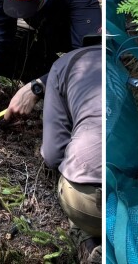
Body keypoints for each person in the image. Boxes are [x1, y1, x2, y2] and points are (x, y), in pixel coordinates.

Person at [40, 46, 102, 251]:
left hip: (93, 204)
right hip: (130, 190)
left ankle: (86, 240)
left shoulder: (62, 65)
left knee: (68, 174)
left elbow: (52, 155)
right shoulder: (120, 64)